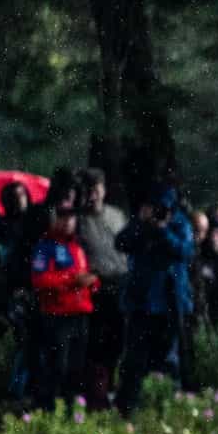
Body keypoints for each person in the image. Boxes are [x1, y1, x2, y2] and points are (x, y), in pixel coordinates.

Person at [115, 185, 194, 414]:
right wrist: (142, 223)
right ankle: (126, 411)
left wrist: (163, 230)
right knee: (134, 362)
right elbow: (121, 242)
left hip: (170, 305)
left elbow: (185, 251)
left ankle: (166, 411)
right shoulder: (140, 223)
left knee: (168, 362)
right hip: (142, 304)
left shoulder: (179, 224)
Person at [28, 205, 99, 412]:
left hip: (81, 312)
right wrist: (71, 280)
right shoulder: (45, 246)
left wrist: (92, 282)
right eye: (62, 217)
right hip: (57, 315)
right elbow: (40, 280)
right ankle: (48, 409)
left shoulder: (78, 247)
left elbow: (85, 275)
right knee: (57, 366)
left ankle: (70, 410)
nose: (67, 222)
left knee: (76, 367)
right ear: (55, 219)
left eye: (71, 218)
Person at [73, 168, 129, 409]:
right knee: (96, 345)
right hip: (95, 285)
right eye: (89, 190)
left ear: (104, 190)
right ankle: (97, 397)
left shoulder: (117, 215)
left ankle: (114, 391)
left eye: (97, 189)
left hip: (121, 282)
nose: (94, 195)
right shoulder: (78, 220)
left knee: (119, 342)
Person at [0, 181, 35, 404]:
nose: (20, 199)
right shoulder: (3, 227)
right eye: (15, 195)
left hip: (34, 288)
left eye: (23, 194)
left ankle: (22, 387)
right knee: (24, 341)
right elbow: (3, 262)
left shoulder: (33, 222)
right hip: (15, 291)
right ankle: (17, 388)